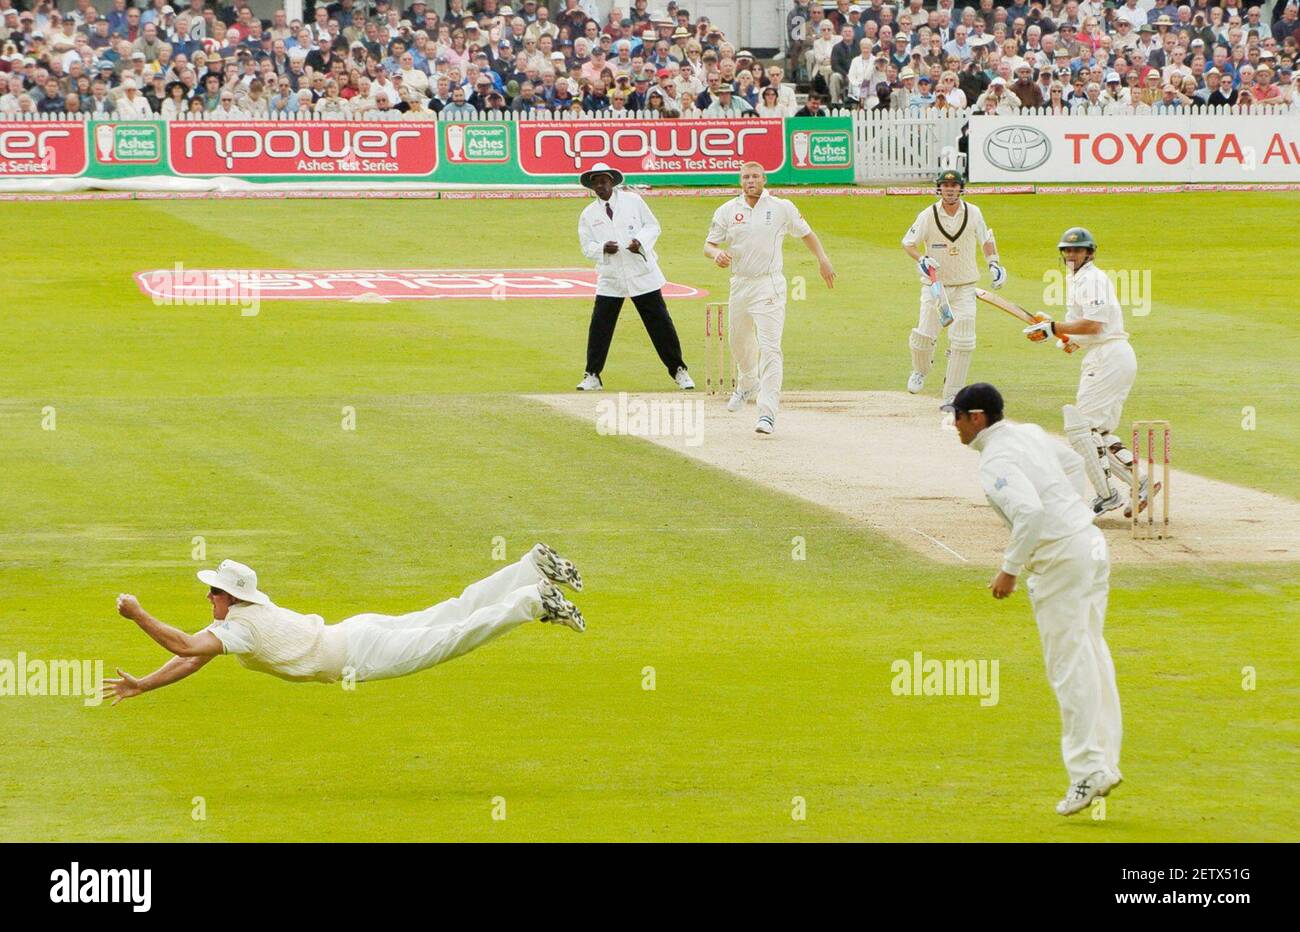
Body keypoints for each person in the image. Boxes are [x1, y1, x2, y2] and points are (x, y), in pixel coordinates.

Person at [944, 382, 1122, 817]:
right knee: (1092, 654)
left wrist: (1010, 568)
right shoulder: (1028, 433)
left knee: (1068, 666)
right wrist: (1070, 512)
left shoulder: (996, 460)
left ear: (978, 417)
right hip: (1089, 544)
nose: (955, 426)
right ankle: (1103, 764)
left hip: (1063, 558)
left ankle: (1087, 771)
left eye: (959, 417)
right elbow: (1072, 462)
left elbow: (1029, 512)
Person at [102, 546, 586, 704]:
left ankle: (531, 599)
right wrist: (144, 685)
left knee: (452, 636)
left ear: (232, 597)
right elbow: (192, 657)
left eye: (214, 591)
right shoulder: (243, 616)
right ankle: (529, 567)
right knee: (451, 613)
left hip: (357, 655)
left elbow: (186, 646)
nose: (208, 596)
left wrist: (138, 614)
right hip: (353, 633)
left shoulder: (239, 627)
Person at [1021, 228, 1147, 516]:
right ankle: (1139, 483)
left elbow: (1095, 325)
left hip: (1109, 357)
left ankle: (1107, 495)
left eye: (1077, 251)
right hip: (1110, 356)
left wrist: (1053, 328)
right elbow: (1086, 328)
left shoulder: (1091, 279)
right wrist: (1070, 341)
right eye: (1066, 250)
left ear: (1090, 253)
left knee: (1081, 429)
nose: (1070, 255)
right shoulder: (1080, 279)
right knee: (1098, 433)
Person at [704, 162, 836, 435]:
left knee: (770, 347)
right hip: (740, 283)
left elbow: (807, 233)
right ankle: (747, 382)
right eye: (745, 177)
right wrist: (716, 254)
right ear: (740, 181)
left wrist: (822, 259)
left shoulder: (781, 207)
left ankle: (767, 413)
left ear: (764, 179)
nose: (750, 181)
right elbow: (710, 244)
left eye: (755, 176)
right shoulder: (728, 210)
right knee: (737, 341)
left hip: (769, 284)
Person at [575, 162, 693, 392]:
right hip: (611, 276)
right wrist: (602, 249)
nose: (600, 186)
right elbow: (586, 246)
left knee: (659, 323)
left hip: (641, 272)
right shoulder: (588, 214)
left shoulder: (633, 201)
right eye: (596, 183)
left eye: (604, 181)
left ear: (612, 182)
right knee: (600, 326)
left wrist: (640, 241)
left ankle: (679, 370)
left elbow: (652, 226)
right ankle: (592, 375)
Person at [902, 169, 1007, 405]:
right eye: (945, 185)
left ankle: (952, 396)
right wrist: (921, 259)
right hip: (935, 288)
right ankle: (920, 370)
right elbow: (908, 243)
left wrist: (994, 264)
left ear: (961, 188)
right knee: (924, 337)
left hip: (965, 288)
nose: (950, 189)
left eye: (954, 185)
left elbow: (986, 239)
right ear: (939, 188)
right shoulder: (928, 215)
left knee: (963, 340)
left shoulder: (974, 212)